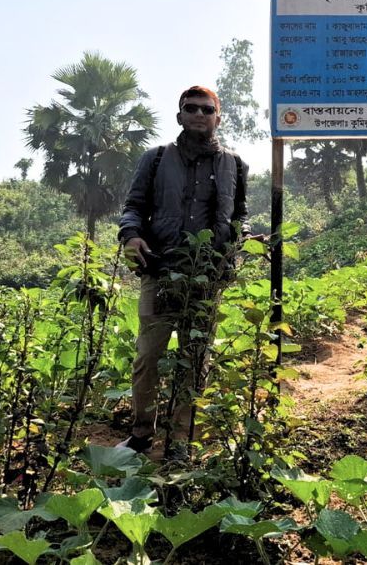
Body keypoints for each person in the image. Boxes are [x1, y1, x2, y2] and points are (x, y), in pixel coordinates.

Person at [116, 85, 249, 460]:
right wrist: (131, 235)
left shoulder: (235, 165)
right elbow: (133, 207)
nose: (198, 114)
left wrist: (245, 238)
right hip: (160, 272)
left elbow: (239, 216)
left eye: (207, 109)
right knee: (148, 358)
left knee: (196, 359)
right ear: (179, 116)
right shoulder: (155, 159)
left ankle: (180, 442)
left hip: (206, 279)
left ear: (217, 117)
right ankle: (142, 435)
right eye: (190, 108)